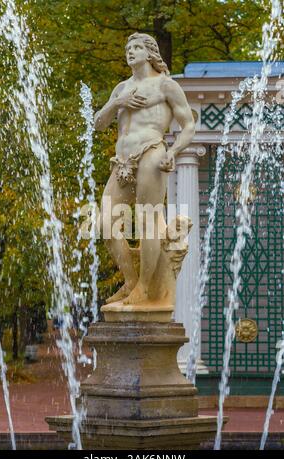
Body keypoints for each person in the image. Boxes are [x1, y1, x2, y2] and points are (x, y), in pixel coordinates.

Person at [95, 32, 195, 305]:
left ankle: (144, 288)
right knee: (105, 223)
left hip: (151, 152)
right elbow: (99, 124)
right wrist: (117, 103)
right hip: (121, 162)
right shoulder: (121, 89)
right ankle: (130, 281)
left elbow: (188, 125)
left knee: (148, 220)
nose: (130, 52)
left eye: (137, 47)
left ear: (150, 53)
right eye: (128, 47)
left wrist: (173, 151)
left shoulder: (165, 85)